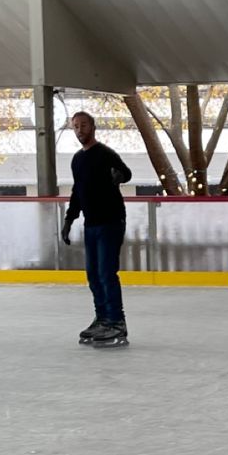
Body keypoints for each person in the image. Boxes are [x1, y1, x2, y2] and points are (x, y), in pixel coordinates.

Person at [61, 111, 132, 346]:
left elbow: (126, 172)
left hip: (111, 221)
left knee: (105, 272)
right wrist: (69, 219)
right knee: (93, 275)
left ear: (93, 127)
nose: (79, 130)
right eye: (75, 127)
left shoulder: (105, 153)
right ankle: (102, 318)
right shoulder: (77, 160)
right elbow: (77, 192)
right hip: (91, 224)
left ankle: (116, 322)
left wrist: (119, 175)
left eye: (83, 125)